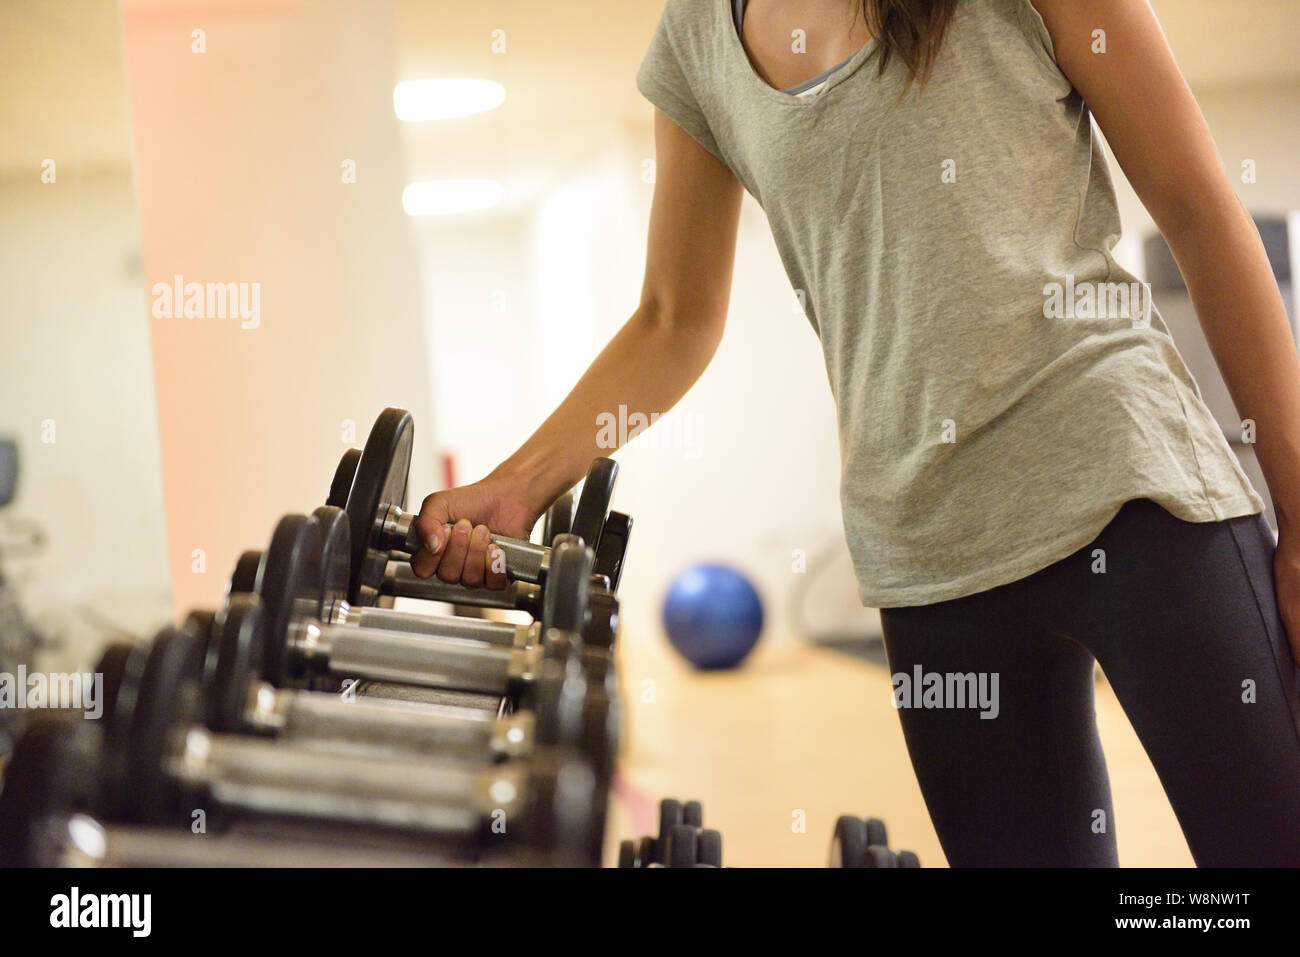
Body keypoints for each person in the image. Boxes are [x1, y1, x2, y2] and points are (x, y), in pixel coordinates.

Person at [408, 0, 1300, 866]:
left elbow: (1199, 211)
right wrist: (518, 486)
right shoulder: (695, 38)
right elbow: (673, 320)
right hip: (925, 547)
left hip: (1130, 486)